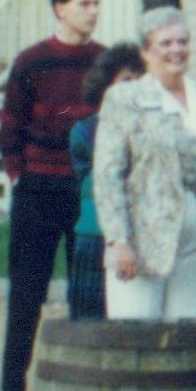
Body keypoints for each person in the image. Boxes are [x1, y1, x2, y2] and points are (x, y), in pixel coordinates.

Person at [0, 0, 104, 391]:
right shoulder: (31, 61)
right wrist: (19, 175)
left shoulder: (104, 63)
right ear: (61, 8)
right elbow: (9, 127)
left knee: (89, 294)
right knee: (26, 292)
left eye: (97, 4)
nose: (93, 11)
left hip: (87, 192)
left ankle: (83, 390)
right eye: (85, 3)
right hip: (38, 188)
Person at [93, 7, 196, 323]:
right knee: (137, 334)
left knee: (186, 334)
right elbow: (108, 175)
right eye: (165, 43)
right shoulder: (124, 99)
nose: (176, 50)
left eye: (182, 42)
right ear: (145, 53)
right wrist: (118, 240)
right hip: (141, 241)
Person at [58, 43, 144, 322]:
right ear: (106, 86)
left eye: (139, 81)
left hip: (140, 237)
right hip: (96, 236)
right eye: (125, 81)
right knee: (89, 322)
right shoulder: (86, 130)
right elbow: (93, 181)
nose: (133, 88)